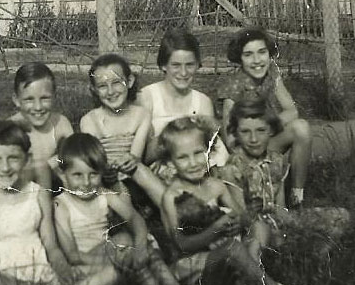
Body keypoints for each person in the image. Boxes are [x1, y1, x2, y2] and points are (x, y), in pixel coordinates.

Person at [0, 121, 119, 285]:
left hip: (39, 272)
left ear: (27, 159)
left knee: (112, 273)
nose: (5, 167)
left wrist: (62, 267)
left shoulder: (38, 193)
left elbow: (50, 243)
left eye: (14, 158)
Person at [158, 116, 307, 285]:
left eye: (198, 153)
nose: (193, 162)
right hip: (191, 268)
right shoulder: (171, 197)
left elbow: (243, 218)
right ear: (170, 162)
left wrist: (237, 221)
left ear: (209, 151)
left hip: (221, 256)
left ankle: (247, 282)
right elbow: (181, 245)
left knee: (259, 227)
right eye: (182, 157)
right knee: (232, 248)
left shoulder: (215, 185)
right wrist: (216, 230)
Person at [53, 133, 186, 285]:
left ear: (102, 172)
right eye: (77, 175)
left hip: (111, 254)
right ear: (63, 174)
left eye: (93, 174)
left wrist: (140, 247)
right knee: (124, 240)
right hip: (85, 265)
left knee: (136, 244)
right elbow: (73, 256)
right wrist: (121, 259)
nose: (86, 182)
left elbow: (135, 219)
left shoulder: (103, 194)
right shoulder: (61, 205)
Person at [221, 99, 351, 261]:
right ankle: (286, 256)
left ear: (271, 131)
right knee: (262, 238)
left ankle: (313, 255)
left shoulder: (276, 160)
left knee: (341, 216)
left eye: (261, 130)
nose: (254, 139)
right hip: (256, 230)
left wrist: (291, 222)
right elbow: (243, 218)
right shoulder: (233, 167)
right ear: (235, 133)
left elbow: (280, 207)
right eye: (245, 132)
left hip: (278, 222)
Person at [217, 28, 311, 208]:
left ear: (270, 53)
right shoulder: (234, 85)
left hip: (264, 137)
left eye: (262, 52)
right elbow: (230, 138)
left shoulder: (271, 73)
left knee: (301, 128)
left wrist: (267, 126)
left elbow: (292, 111)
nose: (257, 60)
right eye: (248, 55)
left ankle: (297, 196)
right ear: (240, 59)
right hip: (244, 148)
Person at [79, 53, 166, 205]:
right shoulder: (89, 120)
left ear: (130, 81)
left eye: (117, 82)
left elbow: (135, 156)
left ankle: (177, 214)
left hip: (134, 179)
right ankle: (132, 220)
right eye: (102, 86)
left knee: (140, 169)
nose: (111, 91)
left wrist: (131, 160)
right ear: (93, 89)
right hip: (105, 182)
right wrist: (106, 169)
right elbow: (93, 160)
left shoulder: (141, 114)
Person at [137, 29, 228, 167]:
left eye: (190, 65)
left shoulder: (203, 102)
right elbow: (144, 156)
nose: (183, 72)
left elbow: (208, 149)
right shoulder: (147, 97)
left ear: (197, 65)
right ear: (163, 65)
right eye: (176, 65)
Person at [10, 62, 74, 189]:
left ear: (54, 97)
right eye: (29, 99)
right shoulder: (11, 129)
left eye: (45, 98)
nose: (38, 107)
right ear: (16, 100)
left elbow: (75, 156)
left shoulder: (60, 123)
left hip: (58, 189)